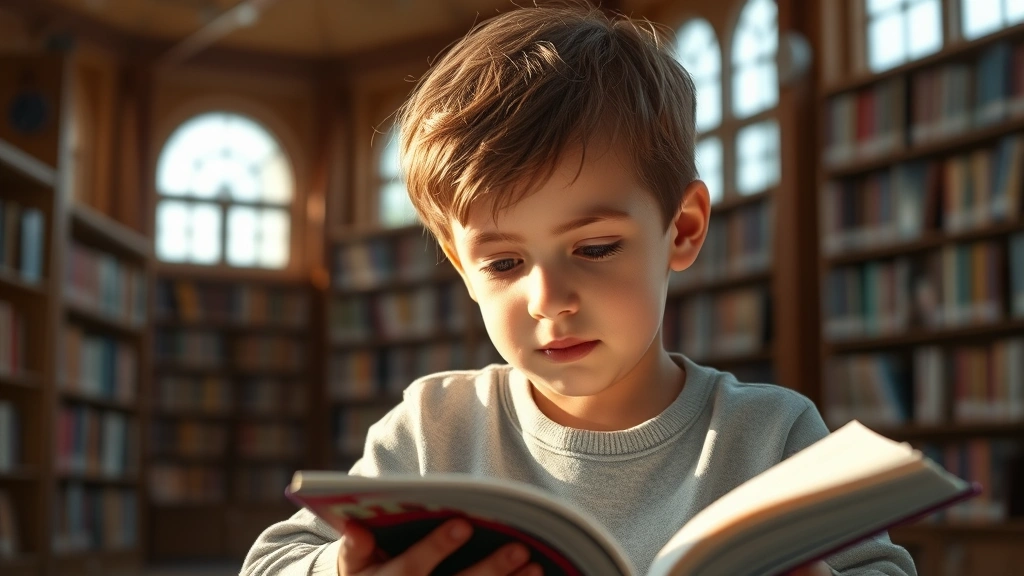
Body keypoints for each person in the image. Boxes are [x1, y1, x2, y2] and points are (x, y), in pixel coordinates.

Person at [241, 4, 917, 576]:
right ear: (460, 265)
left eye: (594, 249)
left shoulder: (773, 435)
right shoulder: (433, 429)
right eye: (503, 264)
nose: (548, 299)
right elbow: (271, 561)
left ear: (681, 230)